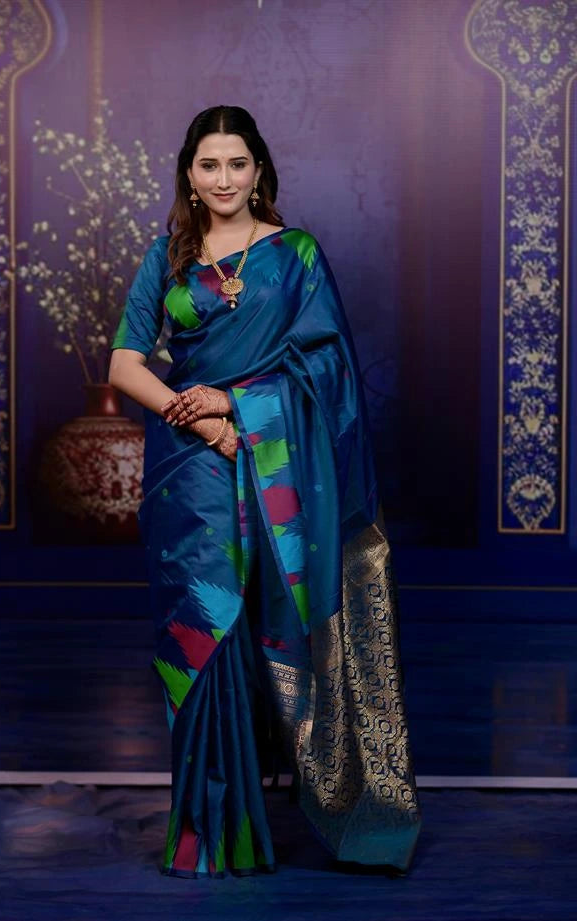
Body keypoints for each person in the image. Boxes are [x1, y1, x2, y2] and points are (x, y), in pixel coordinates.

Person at [109, 105, 421, 878]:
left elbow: (331, 373)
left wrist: (233, 406)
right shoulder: (167, 257)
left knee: (258, 627)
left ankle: (279, 809)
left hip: (272, 461)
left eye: (237, 164)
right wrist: (201, 417)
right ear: (190, 172)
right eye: (209, 165)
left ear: (259, 171)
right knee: (203, 626)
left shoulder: (297, 256)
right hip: (189, 473)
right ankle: (210, 833)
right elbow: (123, 364)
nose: (223, 179)